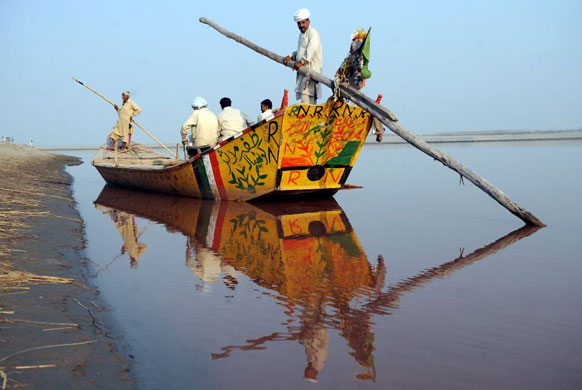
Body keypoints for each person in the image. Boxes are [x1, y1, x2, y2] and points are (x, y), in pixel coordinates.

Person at [283, 8, 323, 104]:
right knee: (305, 99)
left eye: (303, 23)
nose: (301, 25)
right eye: (299, 23)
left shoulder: (313, 33)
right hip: (303, 72)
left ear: (308, 21)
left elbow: (310, 52)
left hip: (311, 71)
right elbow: (301, 52)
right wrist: (291, 56)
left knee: (308, 100)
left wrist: (301, 62)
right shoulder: (302, 35)